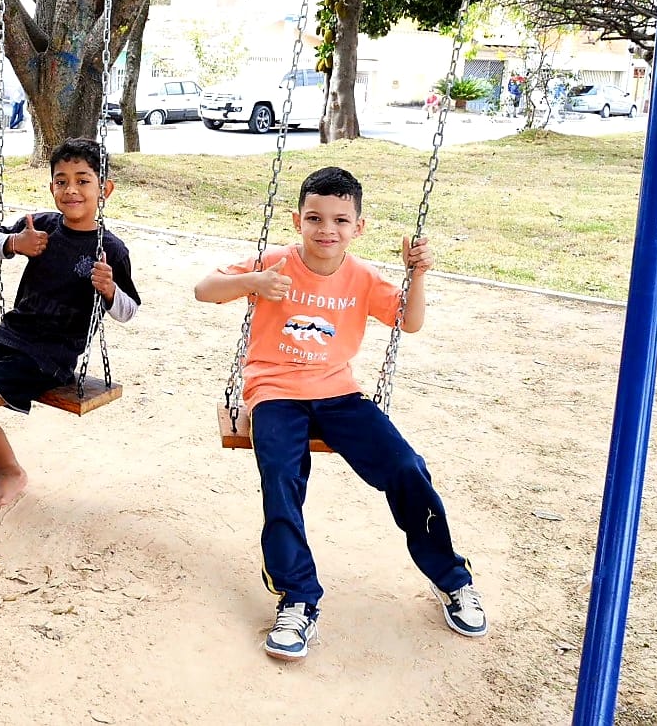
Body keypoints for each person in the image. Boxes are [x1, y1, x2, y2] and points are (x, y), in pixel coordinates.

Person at [193, 165, 485, 661]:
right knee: (282, 475)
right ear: (296, 220)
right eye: (315, 218)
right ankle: (298, 597)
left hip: (340, 394)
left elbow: (408, 323)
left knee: (406, 468)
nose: (327, 230)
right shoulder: (275, 264)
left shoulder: (364, 278)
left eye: (340, 220)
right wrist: (255, 281)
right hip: (274, 391)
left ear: (358, 226)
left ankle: (451, 577)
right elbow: (203, 289)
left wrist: (417, 276)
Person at [0, 138, 139, 508]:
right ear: (52, 185)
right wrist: (14, 244)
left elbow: (129, 310)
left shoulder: (111, 249)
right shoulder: (39, 225)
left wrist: (109, 290)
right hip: (9, 336)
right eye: (61, 180)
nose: (71, 189)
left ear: (104, 189)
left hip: (48, 356)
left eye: (83, 180)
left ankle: (11, 470)